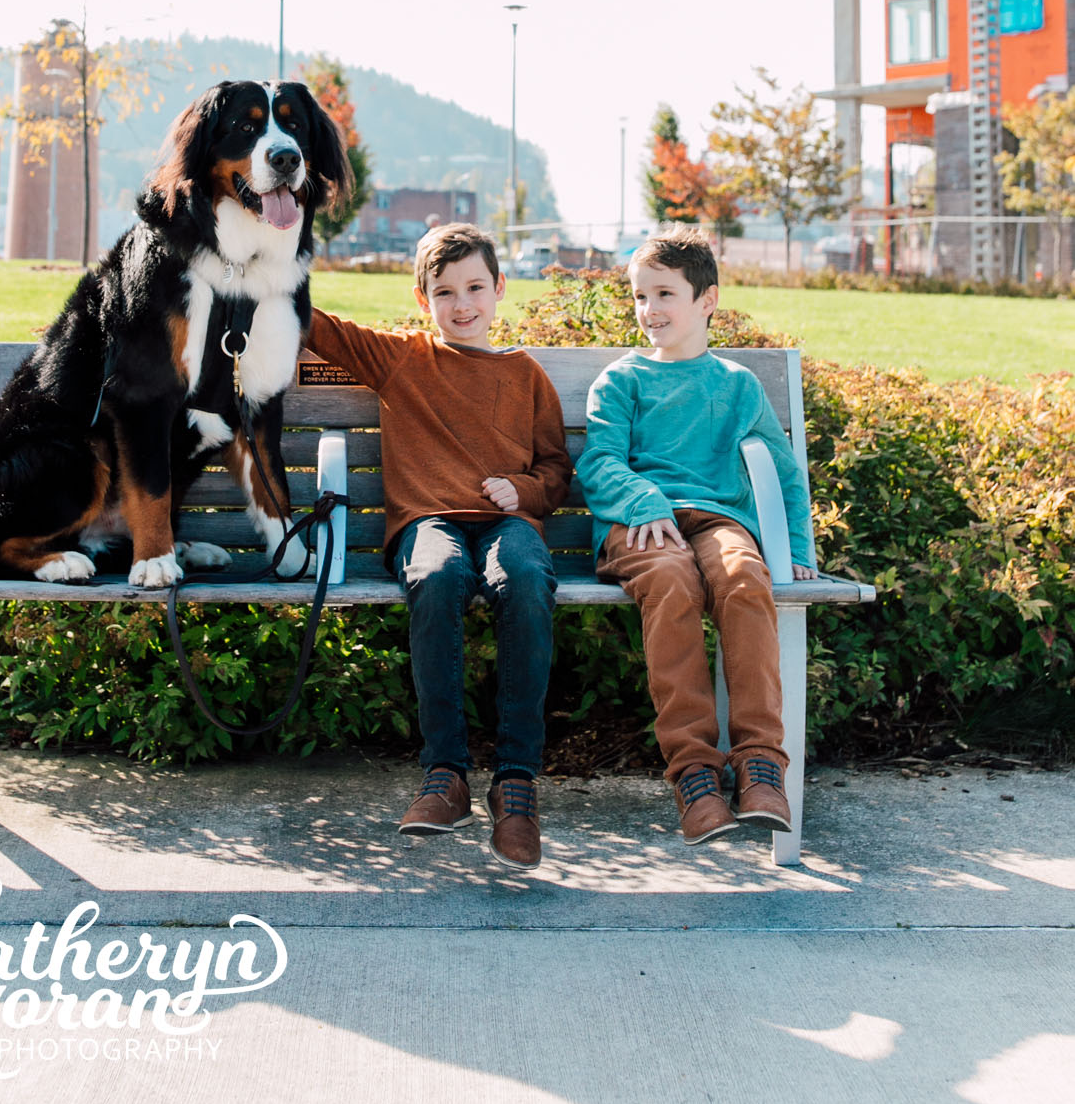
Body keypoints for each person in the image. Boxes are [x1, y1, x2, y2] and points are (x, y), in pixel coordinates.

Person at [306, 222, 571, 870]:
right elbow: (318, 327)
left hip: (507, 525)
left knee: (527, 579)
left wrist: (524, 491)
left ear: (499, 288)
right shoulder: (403, 359)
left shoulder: (525, 374)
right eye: (445, 292)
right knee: (437, 574)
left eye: (475, 287)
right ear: (423, 300)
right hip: (428, 523)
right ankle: (445, 776)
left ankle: (515, 785)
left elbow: (556, 471)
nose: (462, 304)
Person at [575, 227, 816, 845]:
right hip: (639, 525)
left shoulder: (736, 386)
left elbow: (783, 473)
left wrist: (798, 548)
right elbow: (599, 461)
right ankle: (695, 777)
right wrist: (644, 500)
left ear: (707, 300)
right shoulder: (621, 382)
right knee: (673, 584)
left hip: (717, 520)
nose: (649, 310)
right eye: (639, 297)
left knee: (742, 577)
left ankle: (762, 767)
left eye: (664, 294)